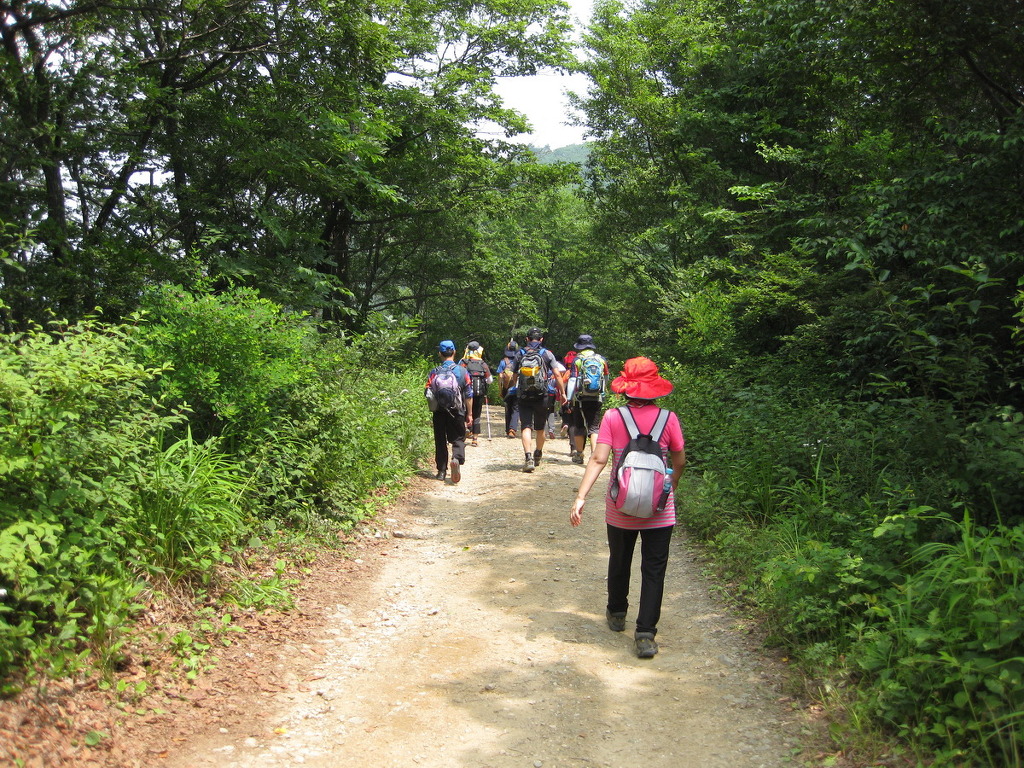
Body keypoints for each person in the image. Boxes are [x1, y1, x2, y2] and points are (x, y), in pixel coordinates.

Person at [569, 357, 686, 658]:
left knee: (620, 559)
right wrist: (671, 485)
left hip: (619, 506)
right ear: (655, 387)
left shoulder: (612, 417)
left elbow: (598, 458)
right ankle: (645, 633)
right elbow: (679, 459)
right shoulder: (669, 418)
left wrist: (581, 496)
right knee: (654, 569)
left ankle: (617, 612)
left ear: (626, 387)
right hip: (660, 509)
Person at [512, 327, 565, 472]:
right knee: (540, 427)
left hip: (524, 395)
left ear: (527, 339)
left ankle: (528, 457)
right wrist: (563, 393)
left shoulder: (520, 353)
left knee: (526, 426)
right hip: (542, 395)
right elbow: (557, 375)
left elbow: (514, 376)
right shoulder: (547, 354)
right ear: (541, 339)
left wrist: (515, 388)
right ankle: (538, 453)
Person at [425, 340, 473, 483]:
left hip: (439, 411)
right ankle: (456, 458)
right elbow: (468, 395)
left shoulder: (434, 372)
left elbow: (427, 392)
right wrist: (469, 414)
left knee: (440, 440)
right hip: (457, 411)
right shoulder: (462, 371)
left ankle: (441, 471)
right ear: (454, 352)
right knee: (458, 438)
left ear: (440, 353)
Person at [565, 334, 610, 465]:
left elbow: (572, 380)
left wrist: (569, 398)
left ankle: (579, 455)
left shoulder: (577, 360)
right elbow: (606, 377)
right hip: (596, 397)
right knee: (594, 427)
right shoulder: (601, 359)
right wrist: (602, 392)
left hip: (579, 398)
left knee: (579, 426)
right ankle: (594, 455)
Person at [458, 341, 492, 447]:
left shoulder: (464, 362)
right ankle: (475, 439)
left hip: (465, 393)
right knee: (476, 415)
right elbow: (490, 380)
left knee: (464, 413)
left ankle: (464, 433)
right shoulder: (483, 364)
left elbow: (458, 376)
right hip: (479, 393)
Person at [495, 341, 520, 437]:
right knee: (516, 408)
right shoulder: (520, 360)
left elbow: (500, 376)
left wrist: (500, 389)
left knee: (508, 408)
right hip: (517, 387)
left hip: (506, 388)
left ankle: (507, 429)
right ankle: (512, 429)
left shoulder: (503, 361)